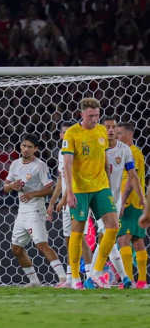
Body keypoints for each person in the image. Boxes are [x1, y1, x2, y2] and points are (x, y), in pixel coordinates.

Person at [62, 98, 118, 289]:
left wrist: (109, 186)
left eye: (97, 115)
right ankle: (76, 279)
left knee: (113, 226)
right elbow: (67, 165)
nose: (95, 119)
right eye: (91, 116)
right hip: (80, 189)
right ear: (82, 115)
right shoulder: (72, 134)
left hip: (101, 186)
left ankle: (95, 274)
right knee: (77, 233)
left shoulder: (102, 131)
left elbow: (104, 160)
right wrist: (69, 192)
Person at [87, 117, 143, 289]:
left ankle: (93, 277)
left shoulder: (124, 150)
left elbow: (132, 175)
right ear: (101, 129)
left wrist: (141, 197)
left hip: (116, 201)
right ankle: (122, 277)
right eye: (107, 127)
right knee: (108, 234)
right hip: (98, 199)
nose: (111, 130)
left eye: (114, 127)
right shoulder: (95, 148)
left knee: (106, 238)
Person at [4, 134, 67, 287]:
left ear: (36, 149)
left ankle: (63, 278)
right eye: (24, 146)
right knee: (16, 248)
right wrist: (12, 186)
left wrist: (32, 193)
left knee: (41, 245)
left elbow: (50, 189)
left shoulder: (40, 166)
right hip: (22, 212)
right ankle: (34, 281)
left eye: (30, 147)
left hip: (36, 211)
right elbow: (5, 188)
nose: (26, 149)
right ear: (20, 146)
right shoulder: (15, 164)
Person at [47, 121, 92, 287]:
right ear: (60, 135)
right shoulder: (61, 152)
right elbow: (61, 179)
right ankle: (71, 278)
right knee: (68, 240)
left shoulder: (76, 150)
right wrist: (52, 202)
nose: (65, 134)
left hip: (77, 198)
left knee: (80, 239)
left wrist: (65, 198)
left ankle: (90, 276)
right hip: (66, 202)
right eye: (63, 132)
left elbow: (76, 177)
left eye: (68, 132)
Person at [117, 122, 147, 289]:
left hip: (128, 202)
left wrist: (122, 200)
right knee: (137, 241)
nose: (116, 135)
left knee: (123, 240)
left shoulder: (131, 152)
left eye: (120, 133)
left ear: (129, 135)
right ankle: (142, 281)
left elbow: (130, 177)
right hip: (138, 203)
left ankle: (128, 280)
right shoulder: (137, 152)